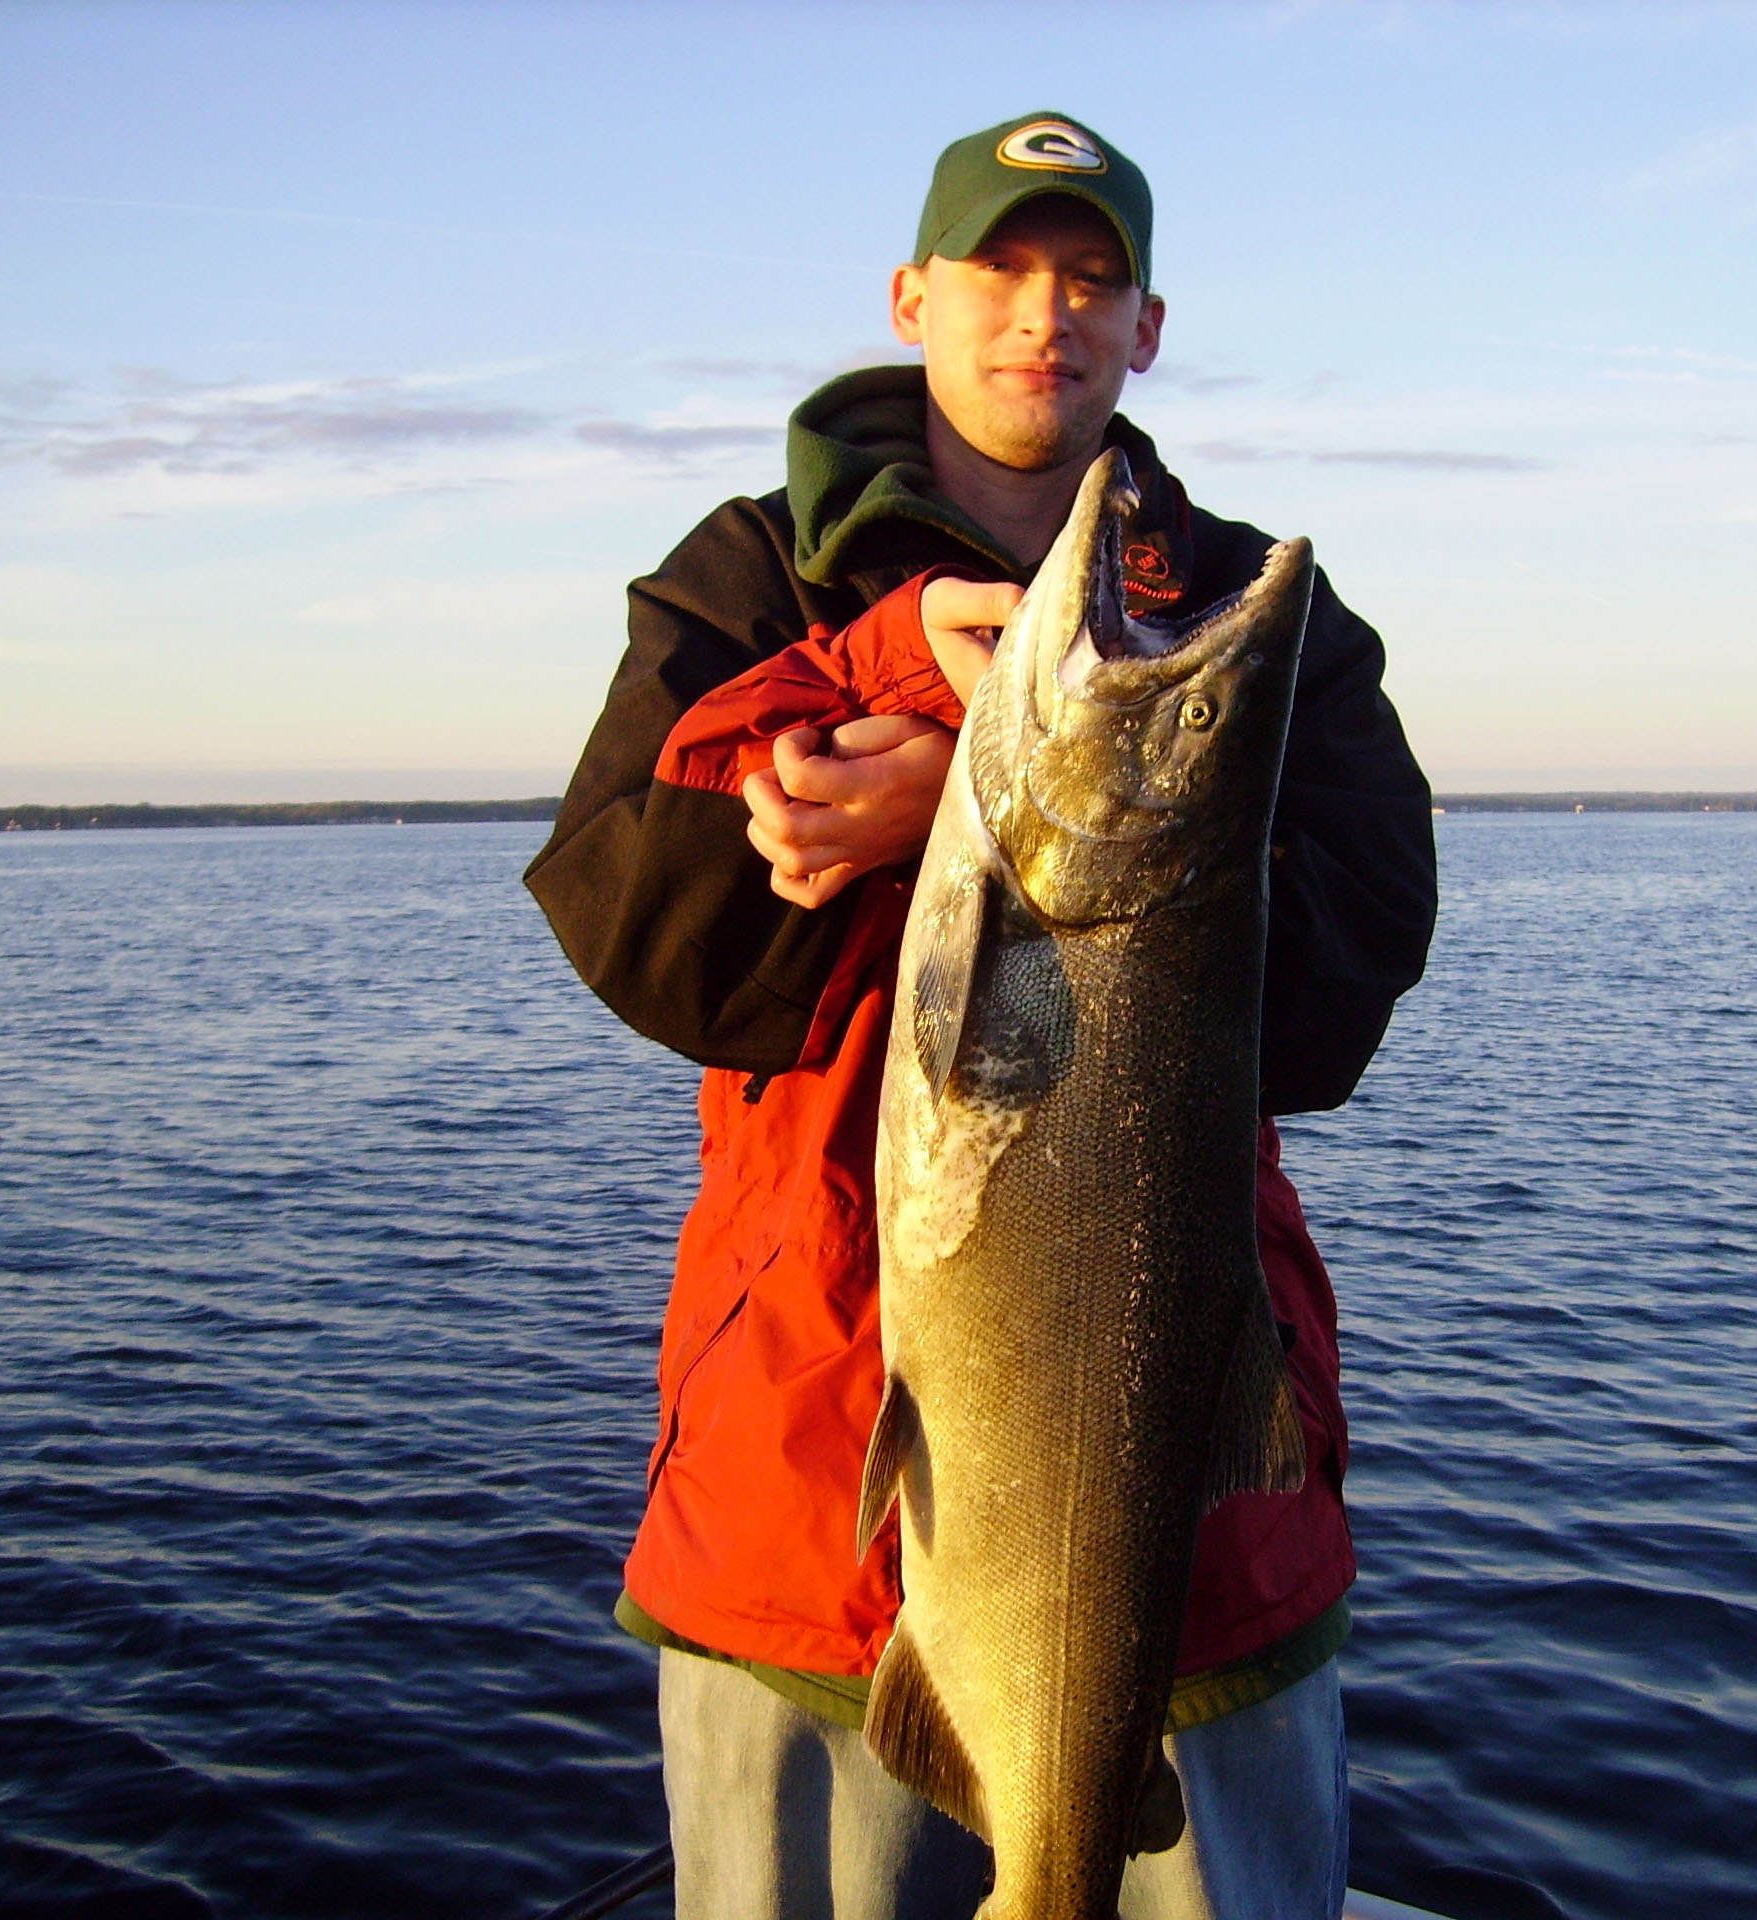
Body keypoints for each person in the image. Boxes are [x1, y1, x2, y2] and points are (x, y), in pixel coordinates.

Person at [526, 112, 1436, 1920]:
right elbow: (640, 934)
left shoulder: (1254, 610)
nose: (1048, 312)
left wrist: (976, 790)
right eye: (1006, 267)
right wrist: (880, 684)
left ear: (1148, 326)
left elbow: (1351, 981)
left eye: (1094, 279)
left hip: (1199, 1515)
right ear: (913, 297)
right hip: (805, 1500)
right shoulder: (754, 576)